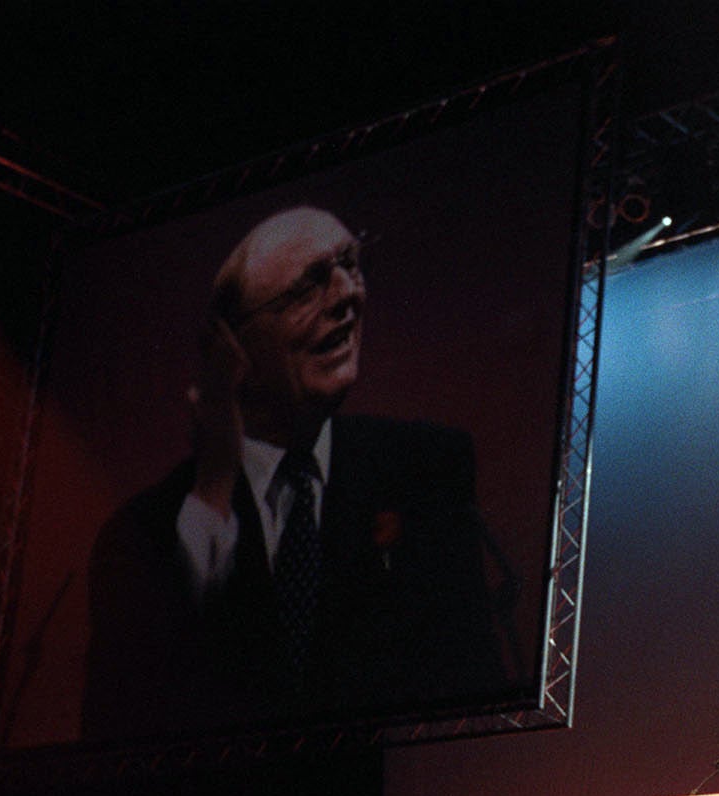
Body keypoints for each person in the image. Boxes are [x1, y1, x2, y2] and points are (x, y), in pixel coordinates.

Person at [83, 205, 517, 740]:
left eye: (350, 265)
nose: (347, 297)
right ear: (232, 349)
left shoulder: (426, 471)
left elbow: (472, 690)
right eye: (307, 289)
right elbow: (128, 726)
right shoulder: (146, 534)